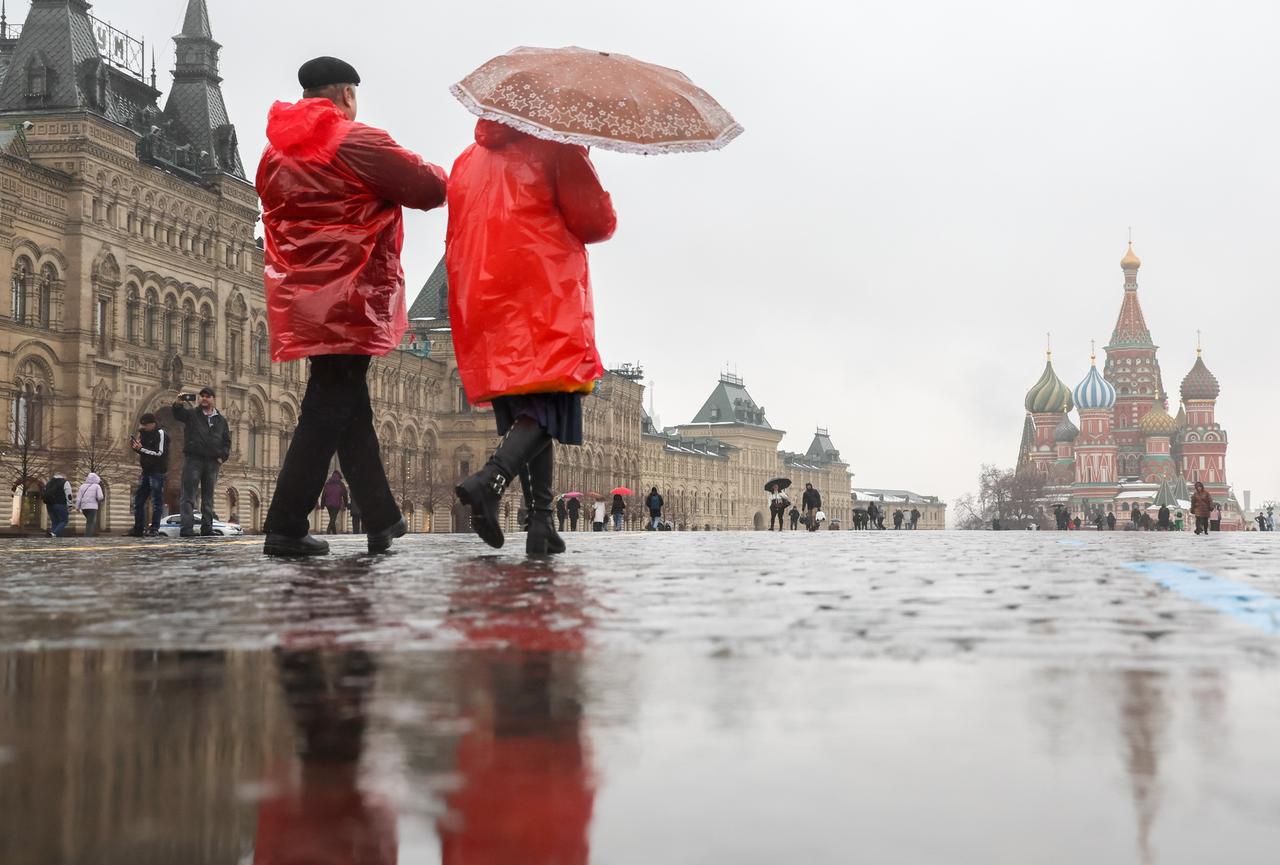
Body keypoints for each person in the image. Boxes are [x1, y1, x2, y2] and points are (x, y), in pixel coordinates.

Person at [258, 56, 447, 557]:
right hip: (351, 294)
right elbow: (428, 188)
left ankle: (381, 517)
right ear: (346, 94)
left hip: (302, 296)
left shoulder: (274, 153)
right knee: (326, 405)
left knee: (349, 405)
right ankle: (286, 522)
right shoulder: (354, 140)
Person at [446, 109, 616, 557]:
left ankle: (542, 522)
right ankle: (491, 479)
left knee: (529, 414)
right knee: (548, 408)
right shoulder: (556, 147)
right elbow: (596, 222)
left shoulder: (469, 159)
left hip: (484, 297)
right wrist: (582, 158)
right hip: (543, 296)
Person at [171, 387, 232, 537]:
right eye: (202, 396)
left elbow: (227, 441)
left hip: (212, 462)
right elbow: (178, 414)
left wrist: (222, 457)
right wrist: (178, 403)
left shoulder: (221, 420)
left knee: (208, 497)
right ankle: (186, 529)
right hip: (194, 459)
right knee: (188, 496)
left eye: (208, 396)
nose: (204, 398)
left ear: (213, 399)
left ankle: (207, 528)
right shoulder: (192, 414)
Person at [128, 412, 169, 537]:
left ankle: (154, 528)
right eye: (142, 425)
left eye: (146, 425)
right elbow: (143, 451)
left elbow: (159, 452)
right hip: (146, 471)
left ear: (153, 424)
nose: (144, 427)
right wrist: (136, 448)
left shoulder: (161, 433)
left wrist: (141, 449)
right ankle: (138, 528)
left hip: (158, 471)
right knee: (138, 500)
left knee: (157, 501)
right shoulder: (143, 433)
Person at [41, 472, 73, 537]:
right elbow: (69, 494)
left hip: (49, 505)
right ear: (63, 476)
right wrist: (70, 505)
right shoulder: (65, 482)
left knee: (55, 521)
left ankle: (53, 536)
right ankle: (54, 534)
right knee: (64, 520)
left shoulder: (49, 483)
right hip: (60, 504)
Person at [75, 472, 104, 537]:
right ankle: (88, 537)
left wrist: (77, 507)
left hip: (84, 508)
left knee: (89, 521)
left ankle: (88, 535)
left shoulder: (82, 486)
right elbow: (100, 497)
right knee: (90, 522)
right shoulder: (97, 486)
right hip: (92, 507)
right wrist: (97, 499)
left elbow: (79, 498)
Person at [322, 471, 349, 535]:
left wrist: (322, 504)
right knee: (333, 518)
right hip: (336, 504)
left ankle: (334, 533)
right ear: (339, 476)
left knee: (332, 517)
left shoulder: (328, 483)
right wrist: (346, 504)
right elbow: (345, 494)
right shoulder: (341, 484)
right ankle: (328, 531)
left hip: (328, 504)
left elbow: (324, 494)